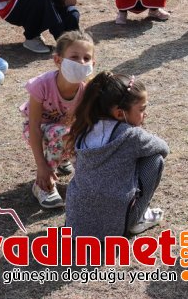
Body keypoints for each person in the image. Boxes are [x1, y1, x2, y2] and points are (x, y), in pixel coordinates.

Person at [65, 72, 169, 238]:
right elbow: (163, 148)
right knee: (154, 159)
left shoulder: (84, 127)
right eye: (142, 109)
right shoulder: (131, 136)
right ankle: (137, 219)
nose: (145, 114)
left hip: (76, 224)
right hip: (113, 228)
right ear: (120, 113)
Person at [20, 30, 94, 208]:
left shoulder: (87, 90)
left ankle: (75, 169)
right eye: (74, 57)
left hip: (65, 132)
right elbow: (35, 126)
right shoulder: (42, 85)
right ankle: (43, 184)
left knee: (82, 133)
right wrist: (41, 166)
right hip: (38, 131)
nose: (81, 62)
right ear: (58, 60)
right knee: (63, 133)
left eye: (86, 58)